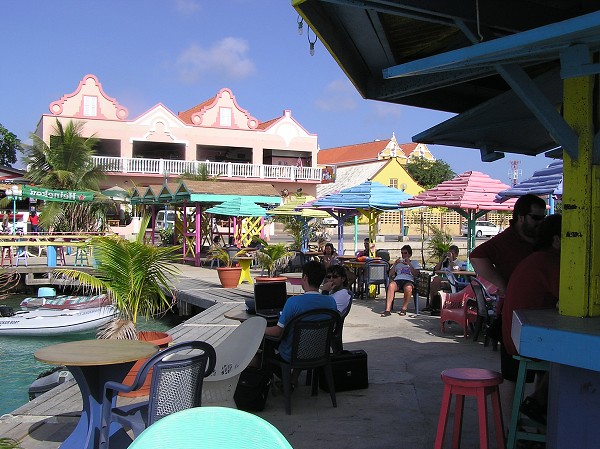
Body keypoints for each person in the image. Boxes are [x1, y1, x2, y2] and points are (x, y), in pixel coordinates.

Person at [469, 193, 547, 423]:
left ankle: (537, 423)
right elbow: (477, 257)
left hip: (545, 315)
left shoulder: (543, 239)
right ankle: (511, 429)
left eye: (542, 218)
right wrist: (504, 286)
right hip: (514, 316)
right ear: (521, 217)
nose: (540, 223)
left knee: (545, 372)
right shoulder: (505, 240)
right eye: (535, 218)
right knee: (513, 375)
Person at [501, 214, 561, 426]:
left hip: (514, 335)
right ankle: (538, 403)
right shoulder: (550, 262)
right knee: (570, 358)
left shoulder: (536, 259)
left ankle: (536, 411)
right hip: (524, 340)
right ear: (557, 240)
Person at [265, 260, 337, 385]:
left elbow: (277, 332)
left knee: (266, 346)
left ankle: (275, 383)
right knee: (300, 339)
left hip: (292, 355)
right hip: (319, 353)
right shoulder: (331, 302)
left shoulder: (293, 302)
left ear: (305, 278)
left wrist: (259, 329)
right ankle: (292, 380)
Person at [381, 245, 420, 317]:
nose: (403, 255)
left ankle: (404, 309)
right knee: (391, 286)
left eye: (405, 253)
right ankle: (387, 310)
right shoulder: (398, 264)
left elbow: (416, 274)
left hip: (409, 280)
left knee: (408, 288)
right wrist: (395, 264)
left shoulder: (414, 262)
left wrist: (409, 264)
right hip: (398, 279)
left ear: (410, 254)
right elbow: (390, 274)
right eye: (402, 253)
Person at [427, 245, 465, 311]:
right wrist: (442, 259)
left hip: (452, 281)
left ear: (456, 254)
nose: (451, 255)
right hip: (443, 279)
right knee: (433, 283)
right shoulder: (445, 262)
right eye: (450, 253)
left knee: (436, 280)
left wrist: (451, 260)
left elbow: (453, 270)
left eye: (453, 253)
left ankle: (436, 303)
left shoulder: (459, 263)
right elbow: (436, 269)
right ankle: (433, 304)